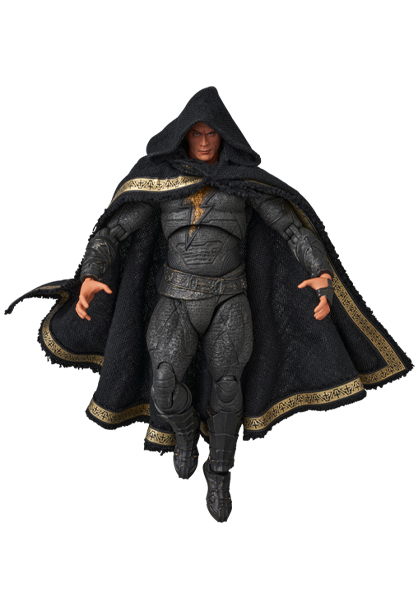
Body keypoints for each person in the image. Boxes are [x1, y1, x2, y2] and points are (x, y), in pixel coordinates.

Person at [6, 87, 412, 522]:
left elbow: (293, 229)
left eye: (211, 134)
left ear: (224, 137)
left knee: (228, 386)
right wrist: (91, 274)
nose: (203, 142)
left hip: (229, 299)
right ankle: (183, 432)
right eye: (196, 133)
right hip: (175, 298)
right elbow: (113, 232)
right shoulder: (161, 182)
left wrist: (321, 272)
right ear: (183, 136)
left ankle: (219, 472)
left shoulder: (244, 183)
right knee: (164, 381)